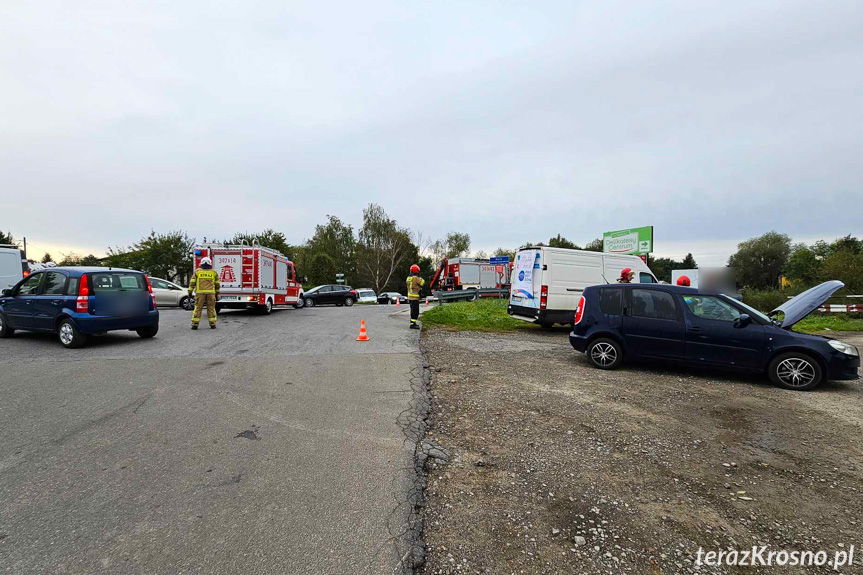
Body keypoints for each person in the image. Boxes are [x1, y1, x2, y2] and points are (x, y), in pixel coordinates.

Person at [189, 257, 220, 330]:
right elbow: (217, 284)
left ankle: (195, 324)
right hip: (211, 293)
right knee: (211, 308)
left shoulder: (197, 272)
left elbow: (192, 282)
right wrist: (217, 293)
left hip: (200, 293)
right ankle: (212, 324)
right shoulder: (214, 272)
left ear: (201, 263)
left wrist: (190, 292)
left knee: (198, 308)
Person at [406, 264, 425, 329]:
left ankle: (412, 323)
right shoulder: (415, 278)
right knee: (415, 312)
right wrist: (420, 278)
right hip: (415, 297)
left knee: (412, 311)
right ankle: (413, 324)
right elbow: (422, 282)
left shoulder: (408, 278)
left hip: (410, 297)